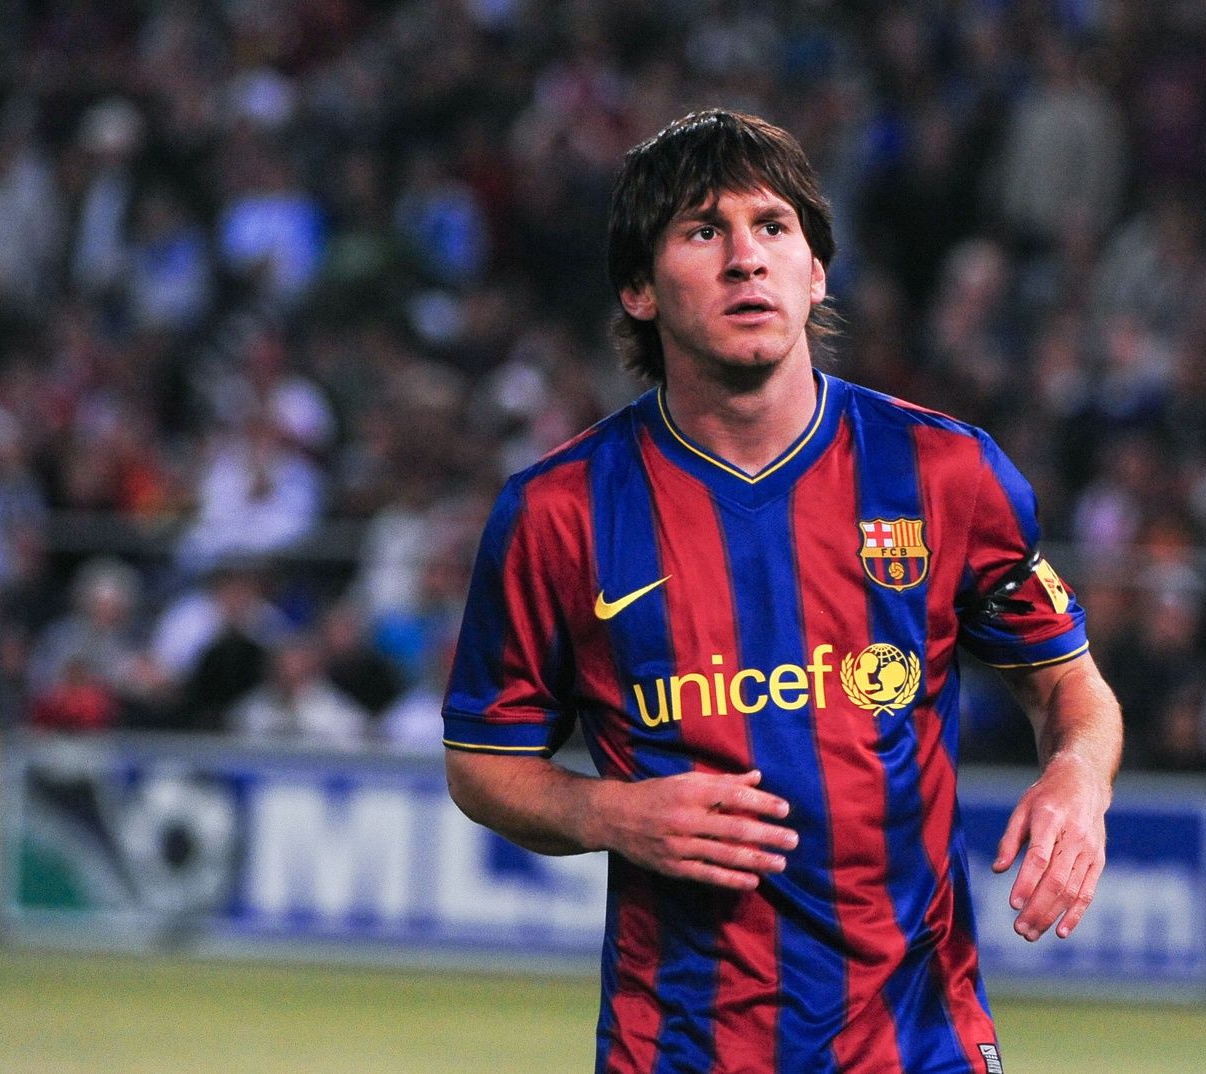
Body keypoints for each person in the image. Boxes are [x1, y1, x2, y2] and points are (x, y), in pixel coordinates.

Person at [443, 110, 1122, 1074]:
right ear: (638, 289)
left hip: (914, 1045)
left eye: (772, 226)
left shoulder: (942, 473)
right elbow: (481, 761)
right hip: (677, 1050)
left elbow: (1069, 687)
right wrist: (609, 814)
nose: (745, 259)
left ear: (816, 273)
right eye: (702, 231)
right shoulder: (560, 512)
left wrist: (1077, 779)